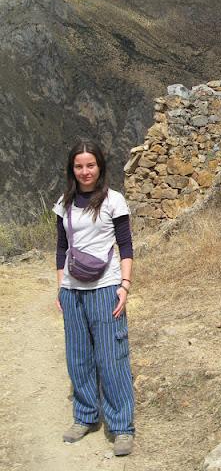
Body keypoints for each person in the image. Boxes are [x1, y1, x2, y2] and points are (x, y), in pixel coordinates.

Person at [53, 139, 135, 457]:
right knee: (78, 356)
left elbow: (126, 246)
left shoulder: (114, 201)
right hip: (73, 290)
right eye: (79, 166)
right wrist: (60, 285)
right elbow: (61, 248)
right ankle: (85, 416)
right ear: (72, 169)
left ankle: (122, 427)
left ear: (100, 167)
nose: (85, 171)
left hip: (106, 287)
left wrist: (124, 286)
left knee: (112, 357)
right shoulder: (65, 203)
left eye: (90, 165)